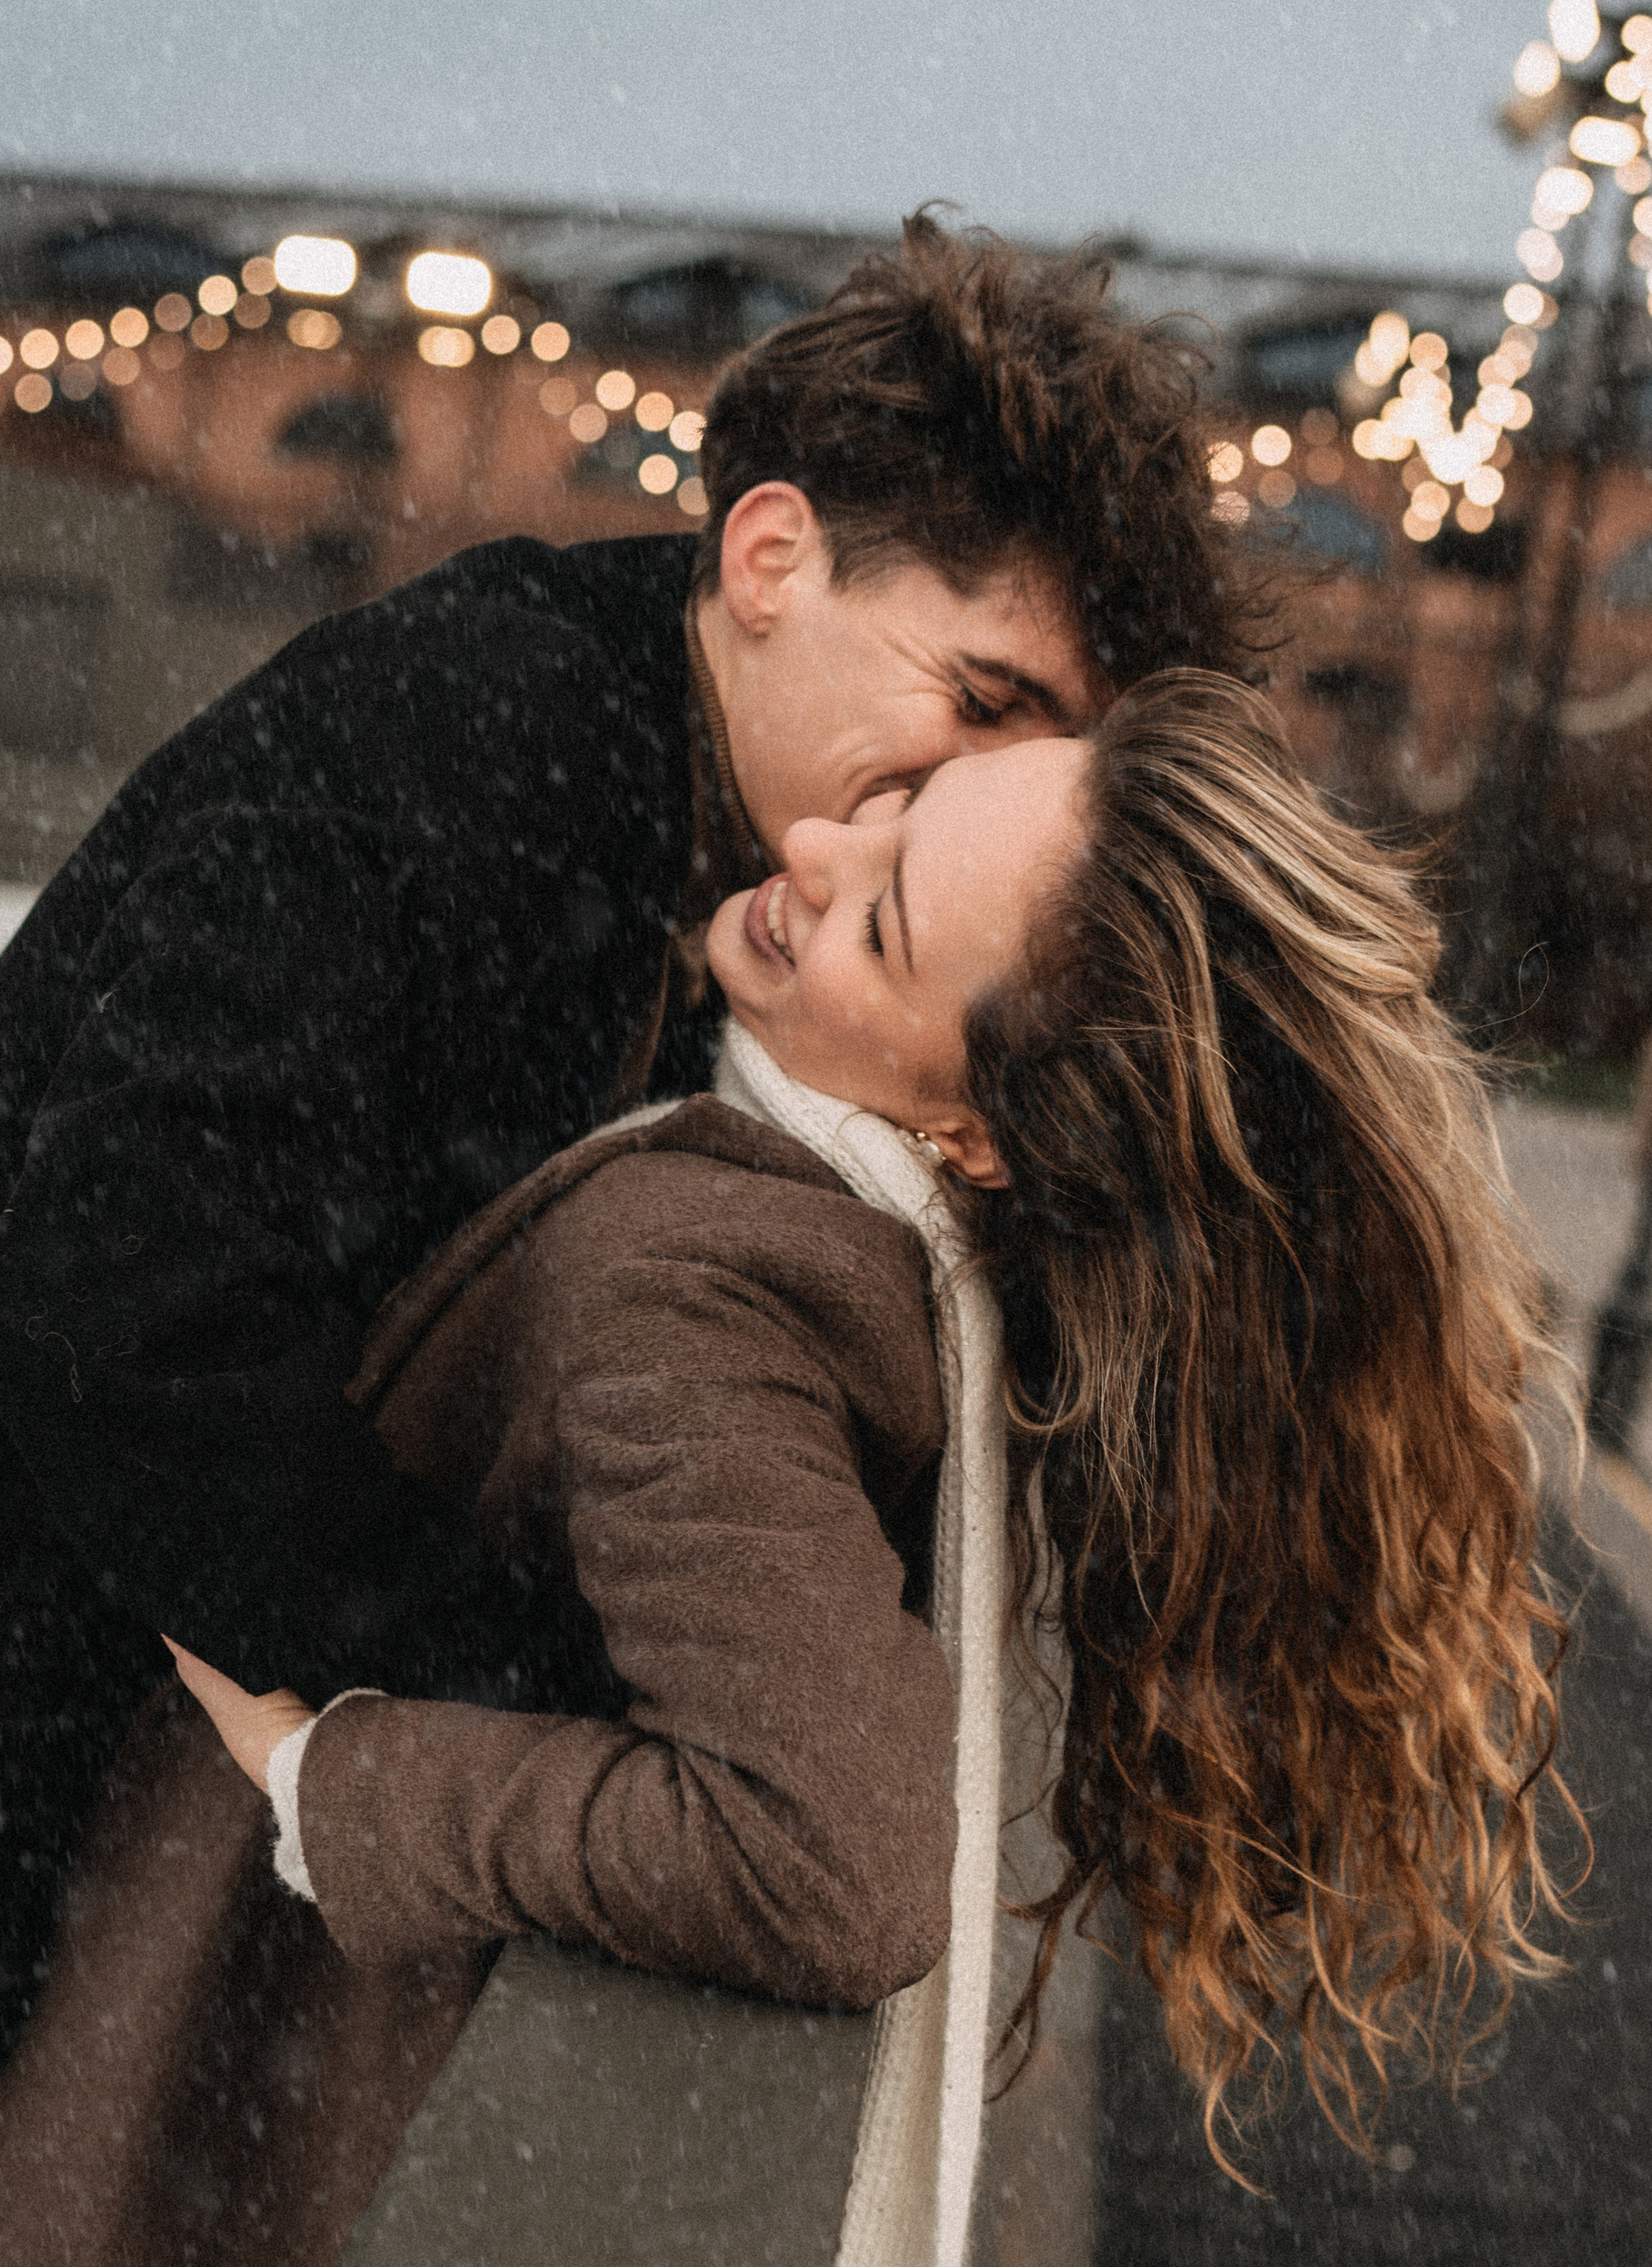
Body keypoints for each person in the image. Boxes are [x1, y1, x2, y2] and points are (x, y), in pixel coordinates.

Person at [0, 674, 1575, 2264]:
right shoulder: (869, 1254)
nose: (817, 848)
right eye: (906, 801)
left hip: (250, 2091)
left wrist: (331, 1774)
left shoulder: (700, 1288)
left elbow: (836, 1868)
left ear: (978, 1136)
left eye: (882, 928)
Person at [0, 212, 1267, 2058]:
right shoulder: (483, 739)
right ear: (769, 557)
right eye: (982, 700)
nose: (973, 793)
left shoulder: (707, 825)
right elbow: (131, 1295)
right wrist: (537, 1694)